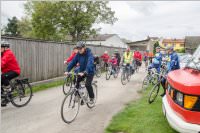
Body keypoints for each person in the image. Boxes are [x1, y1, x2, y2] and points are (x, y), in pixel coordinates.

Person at [1, 41, 21, 106]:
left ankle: (9, 94)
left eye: (1, 47)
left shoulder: (8, 53)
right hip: (7, 71)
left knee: (3, 77)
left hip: (15, 71)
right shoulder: (2, 54)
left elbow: (2, 63)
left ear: (5, 47)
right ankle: (4, 97)